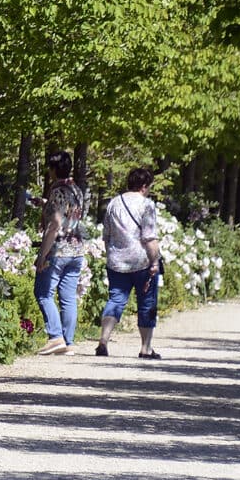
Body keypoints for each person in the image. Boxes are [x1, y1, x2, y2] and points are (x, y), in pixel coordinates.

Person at [98, 167, 165, 359]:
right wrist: (155, 262)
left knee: (116, 300)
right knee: (147, 304)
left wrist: (111, 254)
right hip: (142, 262)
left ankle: (103, 340)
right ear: (144, 186)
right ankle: (146, 348)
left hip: (117, 262)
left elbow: (107, 235)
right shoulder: (147, 205)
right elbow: (149, 237)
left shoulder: (114, 203)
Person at [34, 150, 92, 354]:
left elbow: (55, 224)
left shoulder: (57, 191)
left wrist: (42, 255)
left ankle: (55, 336)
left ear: (53, 169)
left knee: (43, 293)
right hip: (76, 249)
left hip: (58, 250)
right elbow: (70, 214)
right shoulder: (77, 189)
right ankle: (68, 342)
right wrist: (44, 204)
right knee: (68, 296)